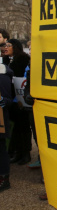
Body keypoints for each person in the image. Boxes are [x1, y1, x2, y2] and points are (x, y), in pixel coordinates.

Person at [4, 39, 32, 165]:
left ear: (15, 47)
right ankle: (19, 152)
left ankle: (25, 153)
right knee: (17, 128)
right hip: (14, 99)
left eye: (8, 45)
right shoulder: (10, 60)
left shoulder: (21, 60)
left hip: (22, 99)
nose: (6, 47)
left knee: (24, 127)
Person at [0, 63, 13, 191]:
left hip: (0, 120)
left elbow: (9, 100)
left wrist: (2, 100)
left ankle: (4, 178)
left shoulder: (2, 74)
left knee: (0, 148)